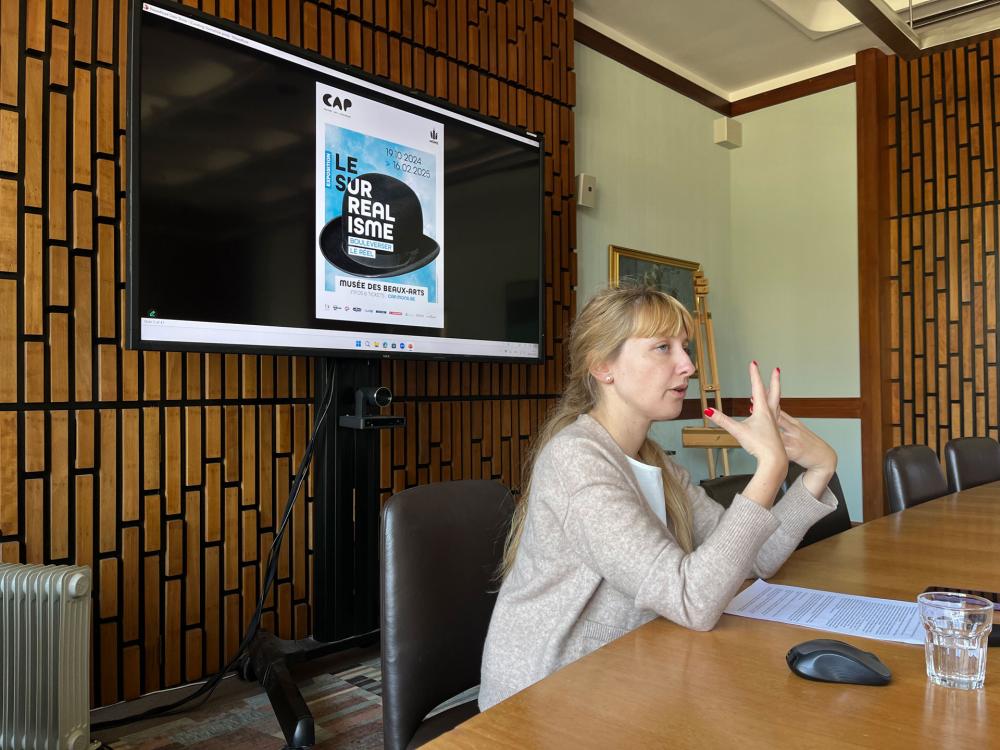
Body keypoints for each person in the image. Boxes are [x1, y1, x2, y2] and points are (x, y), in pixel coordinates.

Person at [478, 284, 839, 710]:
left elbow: (755, 559)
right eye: (663, 348)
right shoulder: (574, 459)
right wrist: (770, 470)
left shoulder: (656, 463)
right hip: (545, 696)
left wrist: (818, 470)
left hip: (626, 671)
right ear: (603, 366)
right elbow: (692, 602)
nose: (687, 365)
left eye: (685, 348)